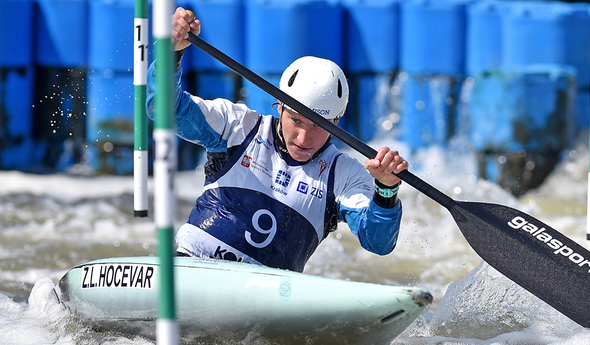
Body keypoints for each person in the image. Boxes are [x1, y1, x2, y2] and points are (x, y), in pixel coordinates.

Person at [145, 7, 409, 272]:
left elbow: (378, 243)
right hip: (192, 266)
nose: (304, 138)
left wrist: (386, 190)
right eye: (296, 120)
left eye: (319, 126)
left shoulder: (345, 175)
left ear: (337, 122)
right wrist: (172, 54)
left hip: (268, 295)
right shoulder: (237, 126)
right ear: (280, 108)